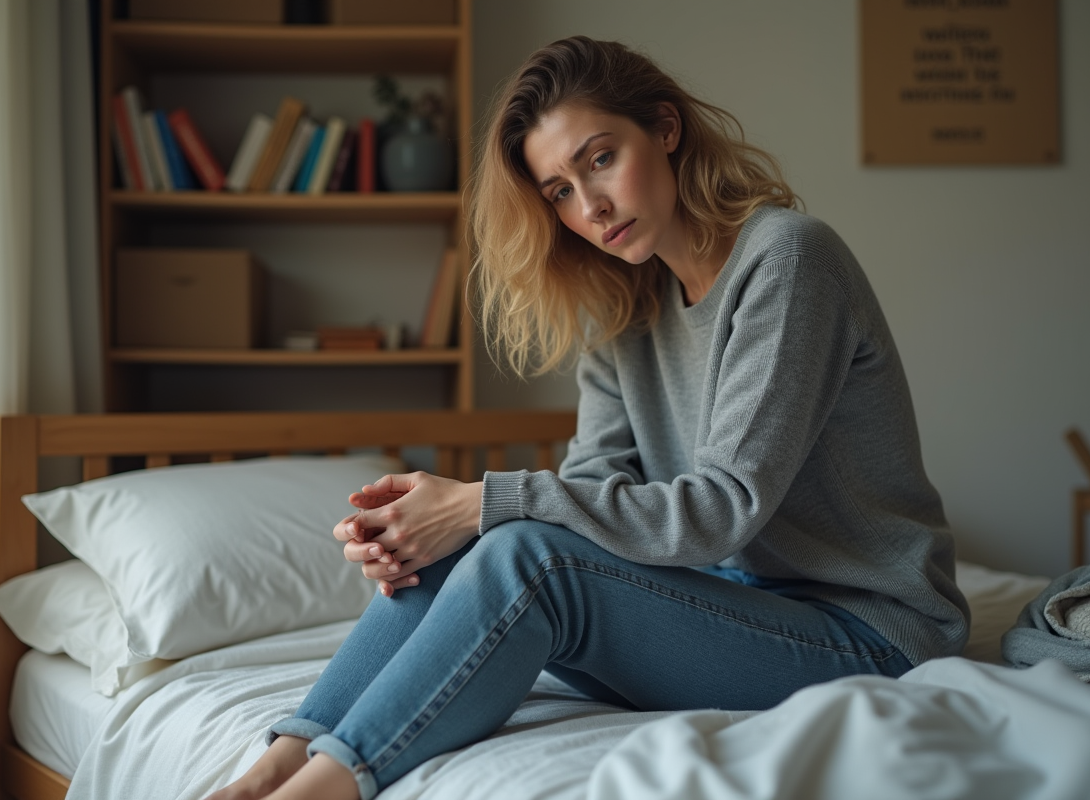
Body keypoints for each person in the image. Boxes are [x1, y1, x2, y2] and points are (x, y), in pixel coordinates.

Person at [208, 35, 969, 800]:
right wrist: (424, 533)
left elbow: (719, 513)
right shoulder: (624, 306)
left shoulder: (788, 261)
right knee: (488, 541)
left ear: (665, 130)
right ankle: (273, 769)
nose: (590, 205)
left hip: (868, 637)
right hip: (732, 607)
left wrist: (477, 503)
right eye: (559, 191)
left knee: (520, 551)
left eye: (600, 159)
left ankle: (323, 791)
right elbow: (586, 495)